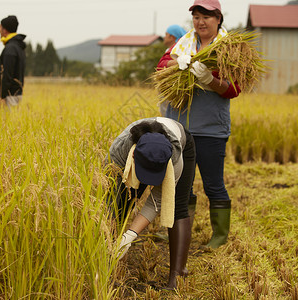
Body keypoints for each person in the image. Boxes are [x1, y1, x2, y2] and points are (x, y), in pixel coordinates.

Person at [165, 0, 241, 248]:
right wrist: (179, 62)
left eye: (206, 17)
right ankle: (180, 232)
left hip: (211, 130)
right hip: (181, 128)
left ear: (218, 18)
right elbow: (161, 66)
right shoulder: (184, 43)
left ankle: (219, 236)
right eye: (196, 16)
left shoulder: (230, 48)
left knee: (213, 184)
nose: (200, 22)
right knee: (181, 185)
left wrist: (210, 80)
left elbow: (234, 89)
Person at [108, 117, 196, 290]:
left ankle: (177, 276)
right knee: (122, 198)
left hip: (183, 142)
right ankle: (109, 260)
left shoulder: (175, 158)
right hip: (133, 157)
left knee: (177, 206)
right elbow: (110, 196)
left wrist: (130, 236)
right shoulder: (118, 151)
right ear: (133, 155)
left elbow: (157, 201)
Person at [0, 15, 26, 109]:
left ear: (5, 30)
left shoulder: (10, 49)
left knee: (1, 122)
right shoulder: (17, 47)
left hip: (9, 97)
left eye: (0, 27)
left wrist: (3, 96)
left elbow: (7, 74)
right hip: (15, 95)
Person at [157, 25, 187, 116]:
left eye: (166, 34)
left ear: (172, 37)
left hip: (173, 91)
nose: (164, 37)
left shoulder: (178, 50)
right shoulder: (169, 50)